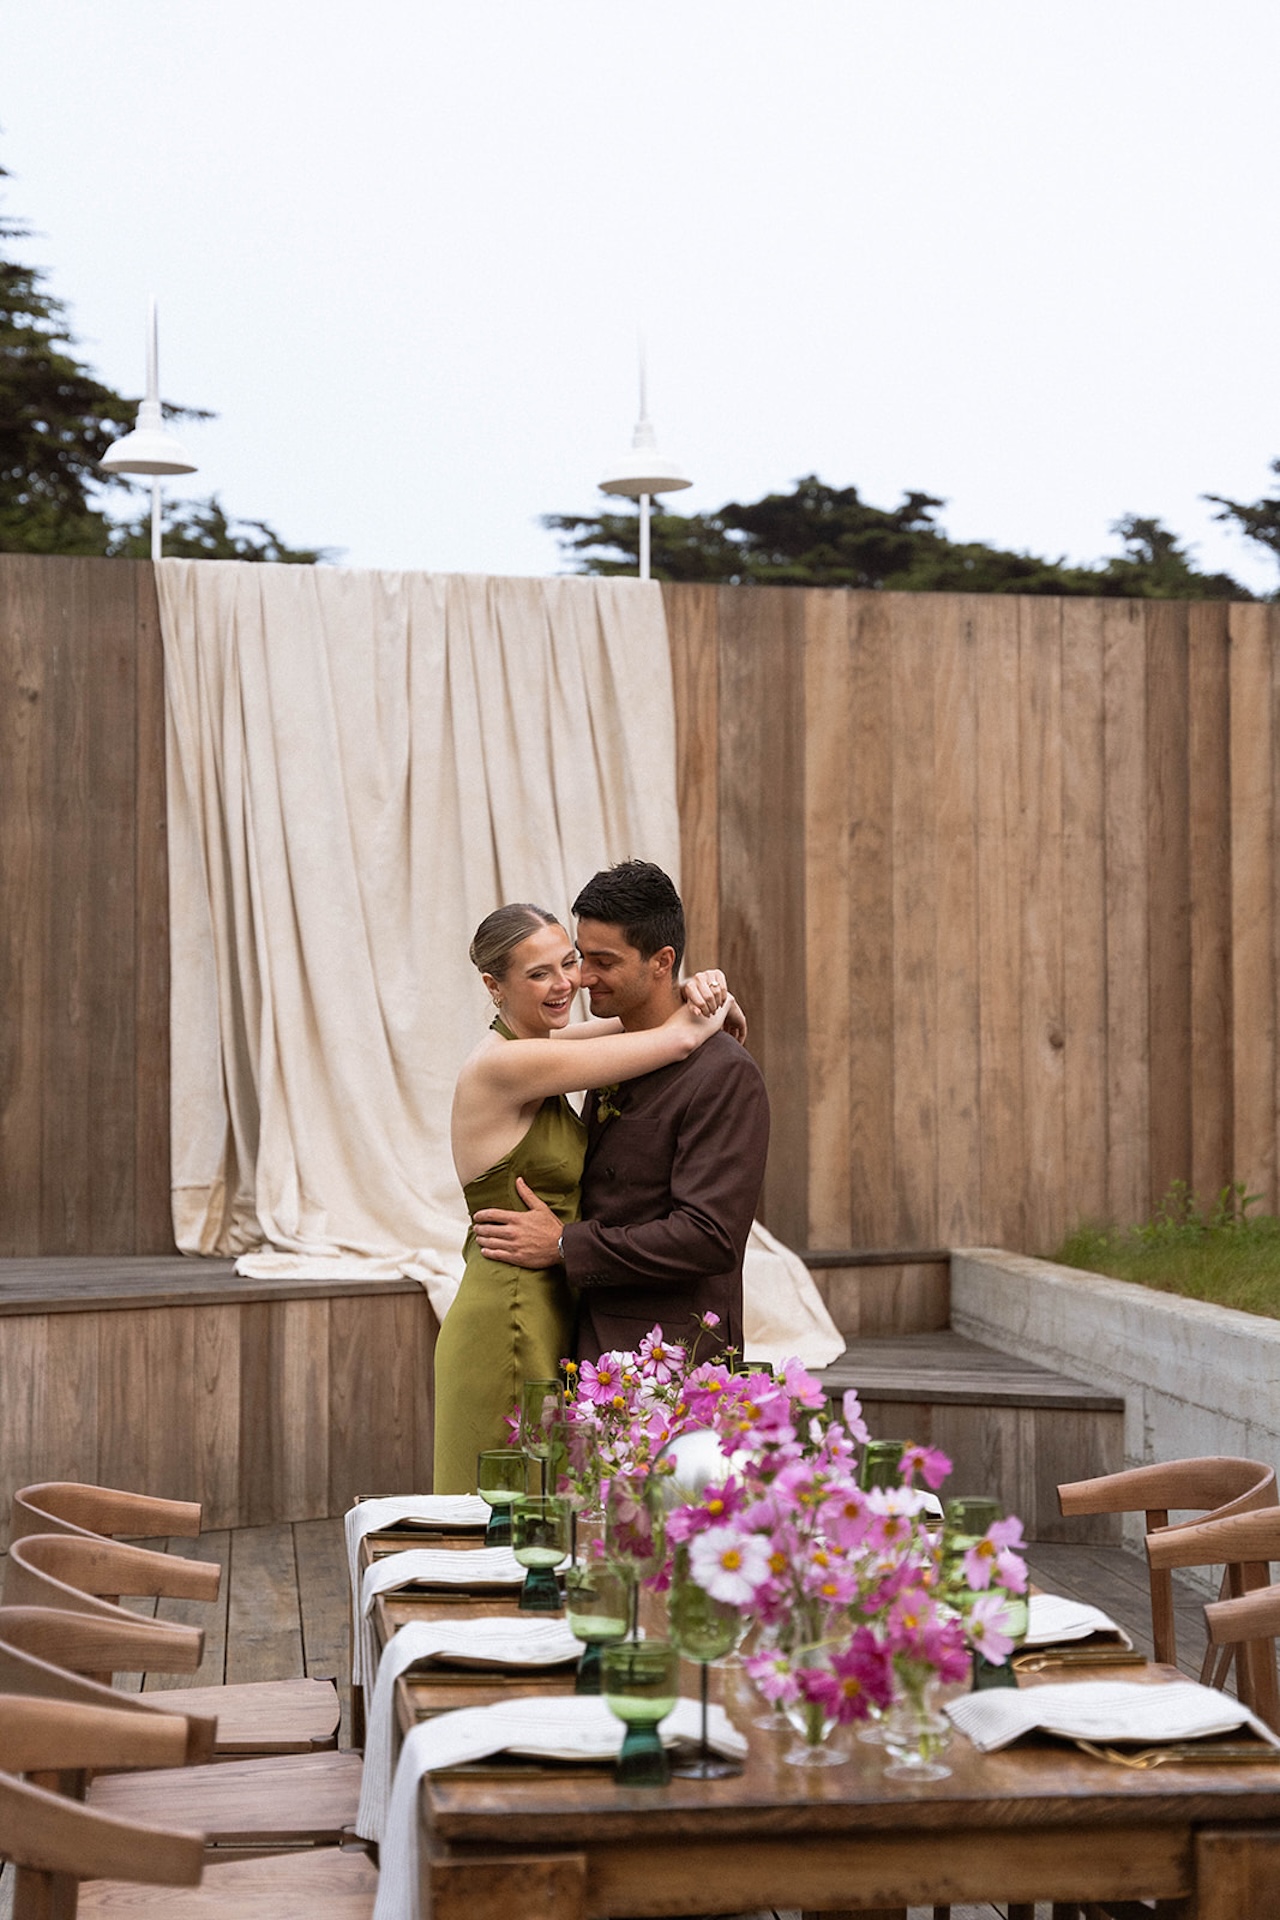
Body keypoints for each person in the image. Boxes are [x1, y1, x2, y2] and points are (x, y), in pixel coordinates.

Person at [433, 900, 737, 1494]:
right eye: (538, 973)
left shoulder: (546, 1046)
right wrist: (708, 1005)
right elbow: (670, 1043)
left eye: (568, 962)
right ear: (494, 986)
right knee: (507, 1506)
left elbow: (644, 1024)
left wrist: (706, 991)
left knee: (540, 1503)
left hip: (547, 1302)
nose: (565, 983)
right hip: (510, 1312)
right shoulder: (505, 1066)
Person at [473, 861, 770, 1366]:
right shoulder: (613, 1051)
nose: (582, 979)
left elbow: (709, 1237)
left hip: (670, 1360)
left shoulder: (724, 1073)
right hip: (578, 1341)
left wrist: (567, 1244)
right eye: (581, 957)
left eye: (603, 962)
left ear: (661, 961)